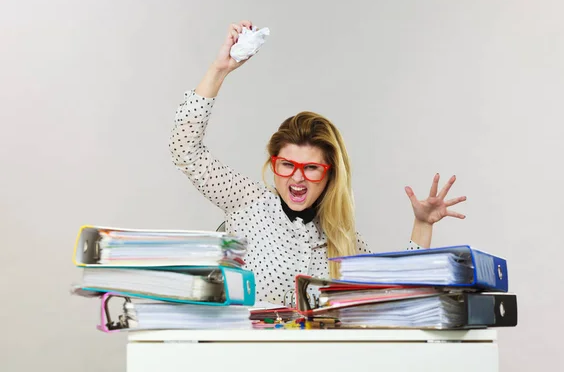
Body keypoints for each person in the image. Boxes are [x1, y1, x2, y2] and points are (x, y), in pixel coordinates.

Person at [169, 20, 467, 304]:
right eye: (287, 165)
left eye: (311, 168)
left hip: (317, 356)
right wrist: (220, 70)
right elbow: (185, 149)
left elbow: (394, 293)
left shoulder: (342, 238)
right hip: (246, 351)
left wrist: (422, 224)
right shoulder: (248, 202)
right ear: (274, 164)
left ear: (329, 175)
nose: (297, 178)